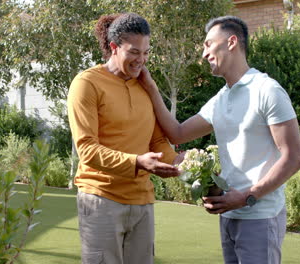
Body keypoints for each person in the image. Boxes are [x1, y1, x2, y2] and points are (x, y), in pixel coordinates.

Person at [138, 16, 300, 264]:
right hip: (228, 216)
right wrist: (150, 87)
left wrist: (247, 196)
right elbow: (178, 133)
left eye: (208, 44)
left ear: (231, 42)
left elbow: (294, 158)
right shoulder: (221, 99)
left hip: (260, 216)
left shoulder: (267, 91)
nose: (204, 54)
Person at [67, 13, 183, 264]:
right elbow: (86, 149)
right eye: (134, 52)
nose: (141, 60)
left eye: (146, 52)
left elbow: (157, 142)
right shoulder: (87, 83)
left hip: (142, 202)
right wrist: (138, 162)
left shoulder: (144, 86)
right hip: (100, 199)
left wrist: (178, 162)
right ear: (113, 48)